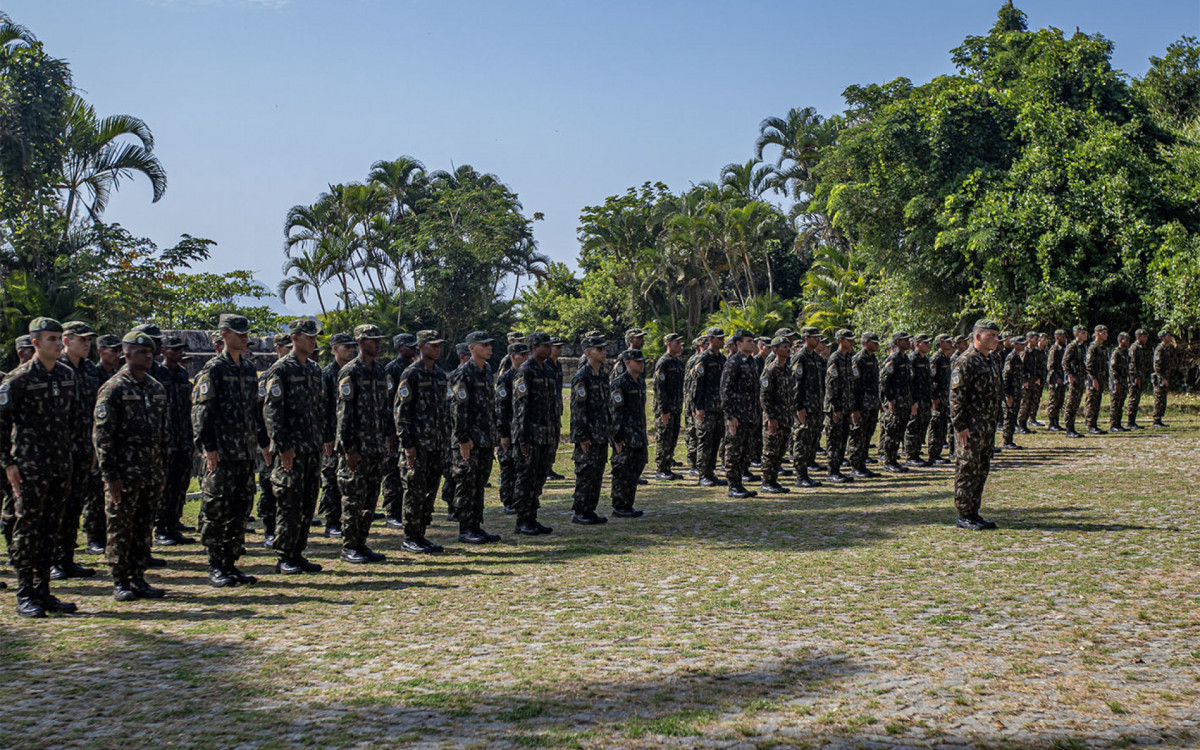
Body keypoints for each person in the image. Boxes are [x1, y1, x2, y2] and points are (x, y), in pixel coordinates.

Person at [0, 318, 81, 617]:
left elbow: (73, 419)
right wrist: (8, 464)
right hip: (30, 466)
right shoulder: (18, 379)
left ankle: (43, 590)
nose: (58, 343)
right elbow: (1, 424)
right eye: (51, 339)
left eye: (60, 338)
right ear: (35, 343)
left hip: (60, 464)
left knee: (51, 530)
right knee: (27, 529)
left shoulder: (65, 375)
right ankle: (24, 594)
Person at [192, 314, 268, 587]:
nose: (245, 336)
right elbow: (202, 413)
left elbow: (256, 409)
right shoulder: (213, 370)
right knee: (217, 509)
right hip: (222, 453)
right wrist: (209, 449)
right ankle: (216, 565)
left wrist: (263, 441)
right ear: (224, 334)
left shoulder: (248, 369)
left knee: (240, 509)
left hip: (245, 452)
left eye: (247, 332)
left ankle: (231, 563)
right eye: (239, 332)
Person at [93, 330, 169, 601]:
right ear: (126, 355)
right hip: (123, 476)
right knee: (120, 528)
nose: (148, 356)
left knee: (142, 527)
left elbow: (163, 434)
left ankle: (138, 577)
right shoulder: (114, 388)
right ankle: (120, 581)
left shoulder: (156, 388)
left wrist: (161, 471)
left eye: (150, 352)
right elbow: (102, 436)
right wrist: (110, 476)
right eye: (141, 352)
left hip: (149, 473)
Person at [262, 319, 326, 574]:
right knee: (289, 502)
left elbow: (320, 408)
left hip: (311, 447)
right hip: (292, 450)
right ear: (295, 337)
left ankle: (298, 552)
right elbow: (272, 411)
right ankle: (285, 555)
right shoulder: (281, 370)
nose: (313, 341)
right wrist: (282, 446)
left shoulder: (313, 369)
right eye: (309, 337)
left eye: (315, 337)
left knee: (307, 503)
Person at [335, 324, 393, 564]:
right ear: (361, 342)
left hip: (375, 446)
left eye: (379, 340)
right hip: (357, 448)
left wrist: (388, 435)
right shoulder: (350, 372)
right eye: (372, 340)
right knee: (353, 498)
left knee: (370, 498)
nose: (378, 344)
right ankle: (349, 546)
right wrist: (349, 448)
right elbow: (344, 413)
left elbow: (384, 408)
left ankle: (362, 542)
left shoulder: (380, 371)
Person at [51, 321, 100, 581]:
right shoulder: (56, 370)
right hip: (59, 449)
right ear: (66, 340)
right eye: (82, 339)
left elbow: (95, 410)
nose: (87, 344)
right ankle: (54, 561)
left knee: (74, 506)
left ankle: (67, 558)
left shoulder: (90, 370)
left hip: (83, 447)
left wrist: (94, 446)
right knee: (57, 507)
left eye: (89, 339)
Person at [395, 330, 449, 554]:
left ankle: (422, 534)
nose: (437, 348)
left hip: (436, 443)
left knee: (429, 491)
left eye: (439, 345)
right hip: (417, 445)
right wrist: (407, 444)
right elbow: (401, 412)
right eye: (433, 345)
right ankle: (410, 536)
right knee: (414, 492)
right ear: (421, 346)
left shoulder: (439, 374)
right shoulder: (411, 374)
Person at [446, 332, 501, 543]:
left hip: (485, 438)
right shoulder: (464, 373)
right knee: (466, 484)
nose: (489, 348)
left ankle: (476, 525)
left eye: (490, 344)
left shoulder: (486, 370)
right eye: (484, 345)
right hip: (468, 440)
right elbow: (458, 408)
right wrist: (462, 437)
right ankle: (465, 528)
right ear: (471, 348)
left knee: (479, 484)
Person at [950, 319, 1001, 531]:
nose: (996, 340)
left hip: (986, 426)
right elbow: (956, 396)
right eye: (991, 335)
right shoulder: (966, 361)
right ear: (977, 337)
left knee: (981, 468)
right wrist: (960, 425)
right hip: (970, 427)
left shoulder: (991, 360)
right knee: (967, 468)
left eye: (997, 336)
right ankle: (964, 513)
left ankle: (974, 511)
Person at [511, 332, 557, 535]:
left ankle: (532, 517)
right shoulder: (525, 370)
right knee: (526, 478)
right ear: (534, 347)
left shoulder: (547, 369)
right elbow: (521, 407)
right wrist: (522, 438)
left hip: (546, 434)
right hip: (530, 436)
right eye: (545, 346)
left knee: (538, 479)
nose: (549, 349)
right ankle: (522, 520)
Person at [154, 335, 196, 547]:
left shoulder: (181, 374)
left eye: (181, 349)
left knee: (180, 484)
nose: (179, 352)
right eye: (174, 349)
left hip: (183, 438)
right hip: (166, 439)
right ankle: (161, 528)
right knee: (166, 486)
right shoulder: (157, 374)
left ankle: (174, 523)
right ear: (164, 351)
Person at [256, 332, 293, 547]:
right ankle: (269, 530)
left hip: (289, 443)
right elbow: (261, 413)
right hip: (270, 444)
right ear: (278, 349)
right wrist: (264, 443)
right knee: (269, 485)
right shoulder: (269, 375)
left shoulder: (296, 372)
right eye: (286, 348)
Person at [570, 336, 611, 525]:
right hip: (588, 435)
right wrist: (582, 436)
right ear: (588, 353)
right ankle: (580, 510)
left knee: (597, 473)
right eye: (598, 349)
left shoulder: (602, 374)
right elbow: (578, 409)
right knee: (586, 473)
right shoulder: (582, 376)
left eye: (603, 348)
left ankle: (590, 509)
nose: (603, 352)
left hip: (601, 433)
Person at [319, 333, 356, 537]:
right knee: (332, 479)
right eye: (345, 347)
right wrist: (327, 436)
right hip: (332, 435)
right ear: (334, 349)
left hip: (349, 434)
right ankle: (332, 521)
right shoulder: (328, 374)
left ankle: (347, 518)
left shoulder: (353, 371)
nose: (350, 350)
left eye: (352, 346)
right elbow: (323, 408)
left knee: (348, 478)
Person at [382, 333, 417, 530]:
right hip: (394, 430)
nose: (413, 350)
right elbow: (388, 404)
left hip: (408, 429)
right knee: (392, 472)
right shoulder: (391, 370)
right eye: (409, 346)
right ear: (399, 348)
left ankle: (403, 511)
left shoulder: (413, 369)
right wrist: (390, 432)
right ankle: (392, 513)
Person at [719, 329, 760, 498]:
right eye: (749, 341)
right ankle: (733, 486)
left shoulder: (751, 362)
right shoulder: (733, 362)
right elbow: (725, 390)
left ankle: (740, 483)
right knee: (734, 450)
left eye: (753, 341)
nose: (753, 344)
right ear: (738, 344)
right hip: (737, 415)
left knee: (745, 450)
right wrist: (730, 415)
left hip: (750, 414)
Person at [609, 349, 649, 517]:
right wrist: (616, 437)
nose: (642, 364)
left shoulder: (640, 382)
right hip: (625, 435)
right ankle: (619, 505)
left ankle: (628, 503)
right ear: (628, 363)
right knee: (622, 470)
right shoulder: (620, 383)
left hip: (638, 433)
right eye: (638, 362)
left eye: (642, 361)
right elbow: (615, 412)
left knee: (636, 467)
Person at [495, 342, 529, 513]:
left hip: (522, 430)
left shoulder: (526, 375)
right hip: (508, 428)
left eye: (526, 354)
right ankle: (508, 500)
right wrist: (503, 433)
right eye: (522, 355)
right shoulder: (505, 378)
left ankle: (519, 499)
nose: (525, 358)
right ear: (513, 357)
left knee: (521, 467)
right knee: (508, 466)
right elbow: (501, 407)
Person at [790, 327, 825, 488]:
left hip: (816, 407)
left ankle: (807, 471)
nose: (817, 340)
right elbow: (796, 384)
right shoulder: (800, 357)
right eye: (814, 337)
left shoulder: (817, 359)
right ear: (806, 338)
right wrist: (799, 407)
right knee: (802, 441)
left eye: (818, 337)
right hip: (804, 407)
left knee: (812, 440)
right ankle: (800, 475)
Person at [759, 336, 794, 493]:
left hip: (785, 416)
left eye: (788, 346)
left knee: (780, 450)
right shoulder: (770, 370)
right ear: (775, 349)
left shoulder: (787, 369)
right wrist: (771, 417)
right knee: (770, 451)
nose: (788, 349)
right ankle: (767, 481)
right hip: (774, 418)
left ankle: (774, 480)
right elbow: (765, 396)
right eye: (784, 346)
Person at [693, 328, 727, 487]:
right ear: (711, 339)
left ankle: (711, 471)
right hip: (706, 407)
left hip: (719, 407)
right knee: (705, 440)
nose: (722, 341)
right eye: (719, 338)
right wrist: (698, 407)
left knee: (715, 440)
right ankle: (703, 474)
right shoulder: (703, 358)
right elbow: (697, 385)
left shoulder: (722, 359)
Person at [824, 329, 857, 484]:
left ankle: (837, 469)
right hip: (835, 407)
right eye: (849, 340)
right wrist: (836, 407)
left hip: (846, 406)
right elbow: (831, 385)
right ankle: (832, 471)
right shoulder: (835, 358)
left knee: (843, 438)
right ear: (841, 341)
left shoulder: (847, 358)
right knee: (834, 439)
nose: (851, 343)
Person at [878, 331, 914, 473]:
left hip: (905, 401)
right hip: (896, 402)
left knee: (899, 432)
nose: (908, 342)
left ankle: (894, 459)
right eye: (905, 340)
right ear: (898, 342)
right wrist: (889, 399)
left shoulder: (905, 359)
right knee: (892, 432)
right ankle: (889, 461)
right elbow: (883, 380)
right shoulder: (893, 359)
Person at [651, 333, 685, 481]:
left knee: (672, 438)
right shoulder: (663, 362)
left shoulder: (677, 362)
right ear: (669, 344)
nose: (680, 346)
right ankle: (661, 469)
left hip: (676, 407)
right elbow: (660, 388)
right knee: (664, 437)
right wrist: (664, 410)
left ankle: (668, 466)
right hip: (666, 408)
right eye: (677, 343)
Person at [848, 331, 882, 478]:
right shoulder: (858, 359)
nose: (877, 344)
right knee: (858, 435)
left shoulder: (873, 358)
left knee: (867, 435)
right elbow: (854, 385)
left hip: (872, 403)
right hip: (861, 404)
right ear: (866, 342)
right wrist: (855, 408)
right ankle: (856, 466)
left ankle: (862, 464)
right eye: (874, 342)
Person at [904, 334, 933, 466]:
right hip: (915, 400)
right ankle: (911, 456)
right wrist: (912, 402)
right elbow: (909, 383)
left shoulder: (925, 360)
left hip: (925, 399)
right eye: (925, 343)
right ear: (917, 344)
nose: (928, 345)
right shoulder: (912, 359)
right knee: (913, 427)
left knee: (922, 426)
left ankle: (917, 452)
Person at [926, 334, 953, 465]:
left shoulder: (946, 358)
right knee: (936, 425)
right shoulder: (936, 359)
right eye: (948, 342)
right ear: (941, 344)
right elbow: (930, 381)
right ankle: (933, 454)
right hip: (938, 398)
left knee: (942, 425)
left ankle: (938, 452)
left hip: (945, 397)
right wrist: (934, 397)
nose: (951, 344)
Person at [545, 337, 567, 481]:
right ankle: (544, 469)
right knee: (546, 439)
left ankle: (549, 467)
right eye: (556, 347)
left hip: (555, 408)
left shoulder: (557, 365)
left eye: (560, 347)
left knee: (554, 439)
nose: (559, 350)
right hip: (545, 410)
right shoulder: (545, 365)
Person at [1062, 325, 1088, 438]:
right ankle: (1069, 428)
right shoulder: (1072, 346)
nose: (1085, 335)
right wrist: (1070, 375)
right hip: (1075, 377)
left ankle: (1072, 427)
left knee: (1076, 403)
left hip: (1080, 378)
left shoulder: (1082, 347)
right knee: (1071, 403)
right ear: (1076, 334)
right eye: (1083, 333)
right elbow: (1065, 362)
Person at [1001, 336, 1027, 450]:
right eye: (1021, 344)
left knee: (1013, 416)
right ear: (1014, 345)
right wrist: (1007, 395)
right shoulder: (1010, 358)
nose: (1023, 346)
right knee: (1009, 417)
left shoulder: (1018, 357)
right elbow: (1006, 377)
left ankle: (1010, 440)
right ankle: (1007, 441)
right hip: (1011, 394)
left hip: (1017, 392)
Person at [1084, 325, 1109, 434]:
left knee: (1097, 401)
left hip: (1100, 378)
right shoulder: (1093, 347)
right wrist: (1093, 379)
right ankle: (1090, 424)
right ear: (1098, 333)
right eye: (1104, 333)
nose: (1106, 335)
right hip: (1093, 378)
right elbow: (1089, 366)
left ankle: (1094, 423)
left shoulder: (1102, 348)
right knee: (1092, 400)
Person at [1125, 329, 1151, 429]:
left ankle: (1133, 420)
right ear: (1138, 337)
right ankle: (1130, 421)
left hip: (1140, 376)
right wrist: (1135, 377)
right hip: (1134, 377)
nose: (1146, 339)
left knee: (1137, 398)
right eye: (1144, 336)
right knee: (1133, 398)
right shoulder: (1134, 348)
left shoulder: (1142, 348)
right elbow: (1132, 364)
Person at [1044, 329, 1068, 431]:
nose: (1065, 339)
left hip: (1062, 379)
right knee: (1053, 401)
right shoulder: (1054, 349)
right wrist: (1057, 378)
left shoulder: (1063, 349)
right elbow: (1051, 366)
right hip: (1055, 380)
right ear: (1057, 338)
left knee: (1060, 401)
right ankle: (1051, 423)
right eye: (1062, 337)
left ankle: (1056, 422)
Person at [1108, 332, 1132, 432]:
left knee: (1120, 403)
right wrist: (1116, 382)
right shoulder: (1116, 352)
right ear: (1121, 340)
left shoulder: (1125, 352)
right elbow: (1112, 368)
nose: (1128, 342)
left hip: (1123, 381)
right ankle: (1113, 424)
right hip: (1117, 381)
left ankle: (1118, 423)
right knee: (1115, 403)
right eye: (1126, 340)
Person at [1151, 330, 1173, 427]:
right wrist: (1163, 378)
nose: (1170, 337)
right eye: (1168, 336)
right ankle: (1156, 420)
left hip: (1165, 377)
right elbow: (1157, 366)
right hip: (1160, 379)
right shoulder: (1159, 349)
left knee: (1163, 399)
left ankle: (1159, 419)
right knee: (1159, 398)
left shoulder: (1166, 349)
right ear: (1163, 338)